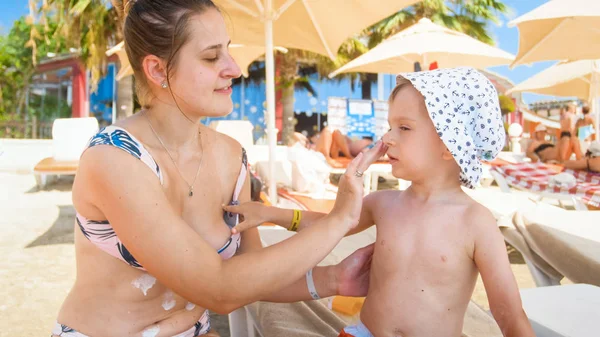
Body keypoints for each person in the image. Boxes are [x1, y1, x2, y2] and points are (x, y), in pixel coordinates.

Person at [51, 1, 387, 336]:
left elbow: (248, 275)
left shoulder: (230, 157)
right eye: (211, 57)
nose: (235, 69)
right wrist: (340, 218)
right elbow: (220, 289)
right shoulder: (114, 158)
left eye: (228, 51)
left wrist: (335, 278)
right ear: (156, 70)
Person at [225, 68, 535, 337]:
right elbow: (328, 225)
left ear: (449, 145)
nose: (387, 138)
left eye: (404, 127)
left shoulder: (476, 222)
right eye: (389, 126)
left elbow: (507, 311)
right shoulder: (384, 203)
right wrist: (271, 212)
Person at [294, 128, 374, 167]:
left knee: (336, 132)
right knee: (328, 131)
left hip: (332, 153)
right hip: (321, 153)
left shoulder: (320, 139)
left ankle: (348, 156)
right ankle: (328, 157)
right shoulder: (306, 143)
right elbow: (295, 136)